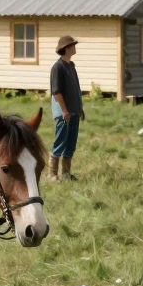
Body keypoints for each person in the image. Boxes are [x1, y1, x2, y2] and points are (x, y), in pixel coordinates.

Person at [49, 34, 84, 181]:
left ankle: (66, 174)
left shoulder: (71, 66)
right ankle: (52, 174)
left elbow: (76, 88)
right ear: (66, 48)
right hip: (63, 112)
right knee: (61, 140)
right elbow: (56, 91)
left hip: (74, 109)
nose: (75, 48)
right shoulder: (58, 67)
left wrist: (80, 108)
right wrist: (64, 110)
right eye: (73, 45)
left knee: (71, 142)